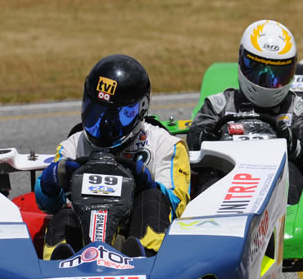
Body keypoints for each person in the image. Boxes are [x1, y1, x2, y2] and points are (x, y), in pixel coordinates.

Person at [35, 54, 190, 260]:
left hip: (135, 231)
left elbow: (177, 204)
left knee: (153, 200)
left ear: (140, 109)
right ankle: (59, 266)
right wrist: (51, 180)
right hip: (83, 233)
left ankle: (146, 258)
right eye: (96, 111)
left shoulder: (166, 145)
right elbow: (47, 203)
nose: (104, 123)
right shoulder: (73, 145)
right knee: (63, 215)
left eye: (114, 115)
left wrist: (147, 184)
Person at [187, 20, 303, 205]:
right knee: (208, 175)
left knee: (292, 170)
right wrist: (207, 138)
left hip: (277, 180)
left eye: (276, 73)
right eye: (259, 70)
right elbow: (193, 142)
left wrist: (291, 144)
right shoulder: (219, 105)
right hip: (227, 175)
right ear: (243, 61)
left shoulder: (298, 110)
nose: (267, 80)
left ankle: (287, 226)